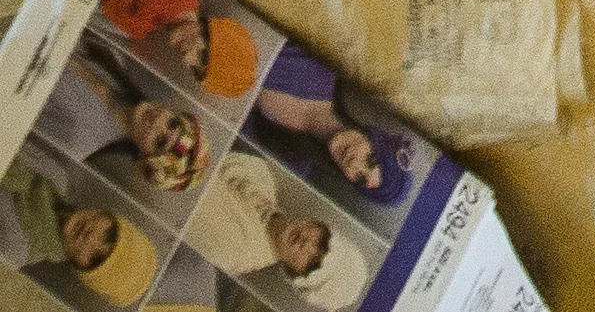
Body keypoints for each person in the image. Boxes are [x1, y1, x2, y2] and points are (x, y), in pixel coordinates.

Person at [183, 150, 365, 310]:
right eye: (322, 242)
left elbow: (180, 188)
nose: (308, 244)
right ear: (319, 225)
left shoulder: (234, 250)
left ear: (297, 276)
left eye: (312, 263)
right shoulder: (264, 176)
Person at [246, 44, 414, 217]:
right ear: (373, 137)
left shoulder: (292, 163)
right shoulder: (321, 66)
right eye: (369, 159)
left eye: (359, 178)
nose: (353, 163)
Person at [35, 43, 207, 196]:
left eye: (159, 141)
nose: (158, 121)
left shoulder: (77, 141)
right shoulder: (119, 61)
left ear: (144, 158)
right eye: (172, 123)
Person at [99, 0, 258, 101]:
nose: (187, 59)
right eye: (202, 56)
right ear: (213, 32)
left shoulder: (135, 31)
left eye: (195, 70)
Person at [0, 156, 156, 308]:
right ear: (109, 215)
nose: (91, 237)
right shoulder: (57, 176)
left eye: (95, 258)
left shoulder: (14, 248)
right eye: (109, 234)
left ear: (82, 269)